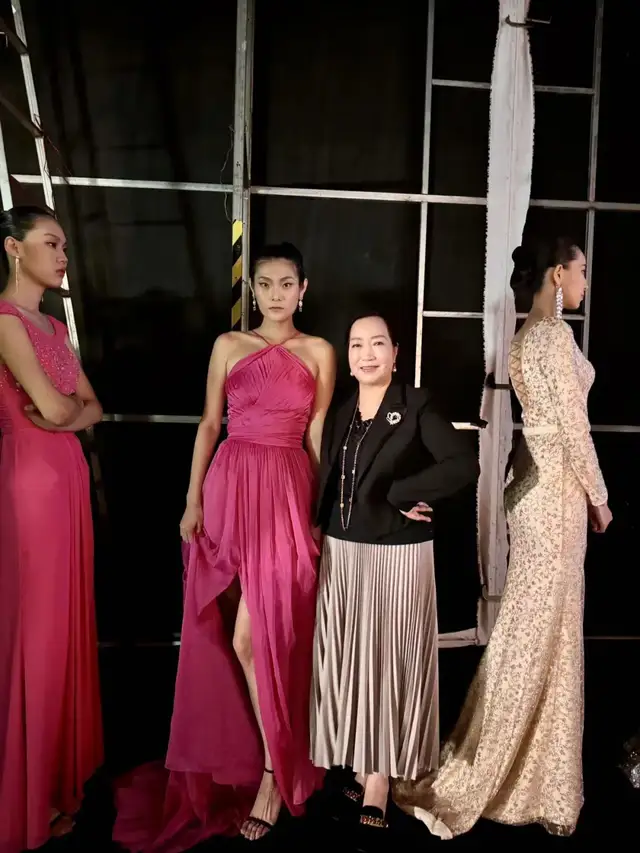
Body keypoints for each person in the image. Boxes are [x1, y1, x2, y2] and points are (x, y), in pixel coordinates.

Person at [113, 242, 335, 850]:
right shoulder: (228, 345)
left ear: (303, 290)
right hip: (230, 487)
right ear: (252, 289)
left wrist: (320, 515)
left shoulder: (319, 351)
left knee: (257, 639)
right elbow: (210, 424)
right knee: (224, 631)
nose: (275, 294)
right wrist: (192, 500)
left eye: (286, 283)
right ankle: (250, 758)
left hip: (286, 491)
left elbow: (317, 434)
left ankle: (273, 771)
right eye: (265, 284)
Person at [395, 236, 613, 838]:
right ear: (557, 274)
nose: (585, 282)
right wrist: (599, 497)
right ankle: (507, 772)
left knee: (540, 631)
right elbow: (573, 428)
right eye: (581, 271)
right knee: (539, 633)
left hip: (537, 490)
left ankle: (539, 774)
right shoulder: (552, 337)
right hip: (556, 497)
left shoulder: (524, 338)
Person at [311, 312, 479, 847]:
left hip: (397, 555)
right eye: (357, 344)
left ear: (395, 352)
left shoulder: (416, 405)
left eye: (377, 343)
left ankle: (381, 778)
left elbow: (462, 463)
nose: (367, 354)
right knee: (353, 659)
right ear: (348, 355)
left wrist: (403, 493)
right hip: (343, 550)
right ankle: (360, 764)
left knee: (386, 659)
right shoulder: (340, 411)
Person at [0, 206, 103, 852]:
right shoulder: (5, 320)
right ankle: (26, 798)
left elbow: (92, 408)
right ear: (14, 248)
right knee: (34, 634)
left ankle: (55, 785)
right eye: (50, 243)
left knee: (62, 628)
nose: (63, 255)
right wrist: (68, 414)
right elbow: (63, 406)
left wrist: (67, 415)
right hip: (31, 485)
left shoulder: (56, 324)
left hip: (66, 479)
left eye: (64, 244)